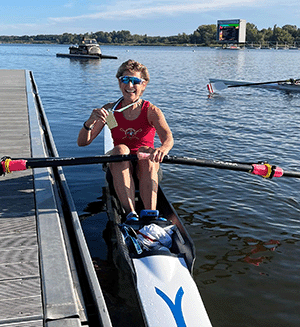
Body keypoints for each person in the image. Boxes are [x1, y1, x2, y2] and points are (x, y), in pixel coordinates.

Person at [77, 59, 174, 222]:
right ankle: (130, 213)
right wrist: (89, 122)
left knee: (145, 151)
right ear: (119, 82)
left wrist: (163, 149)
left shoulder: (151, 111)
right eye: (125, 80)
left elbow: (168, 138)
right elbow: (83, 142)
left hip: (147, 166)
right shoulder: (111, 111)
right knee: (121, 149)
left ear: (144, 85)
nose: (130, 85)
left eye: (135, 81)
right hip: (120, 164)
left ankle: (150, 213)